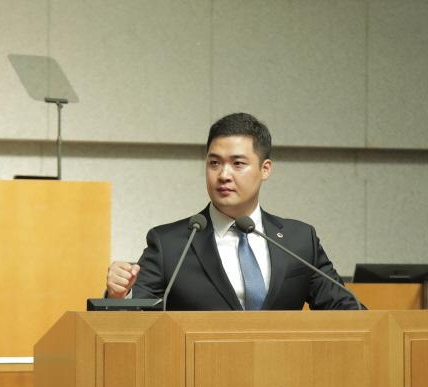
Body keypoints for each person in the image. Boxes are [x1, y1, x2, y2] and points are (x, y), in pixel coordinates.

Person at [106, 113, 361, 310]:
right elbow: (133, 320)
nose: (223, 175)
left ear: (265, 169)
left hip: (284, 374)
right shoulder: (170, 244)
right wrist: (119, 295)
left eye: (238, 164)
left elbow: (345, 309)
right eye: (214, 163)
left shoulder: (299, 240)